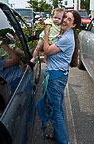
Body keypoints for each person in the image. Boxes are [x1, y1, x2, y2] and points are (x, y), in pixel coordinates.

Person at [42, 10, 81, 144]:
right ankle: (57, 135)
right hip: (59, 75)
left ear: (74, 25)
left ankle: (63, 141)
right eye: (65, 17)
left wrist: (46, 34)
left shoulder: (66, 38)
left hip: (56, 78)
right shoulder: (66, 34)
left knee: (56, 111)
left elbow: (46, 50)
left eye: (69, 19)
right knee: (57, 107)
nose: (64, 20)